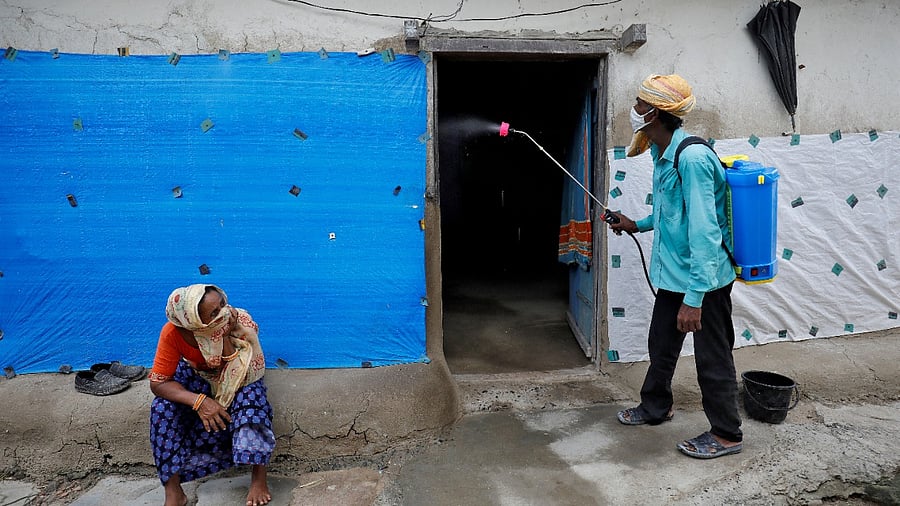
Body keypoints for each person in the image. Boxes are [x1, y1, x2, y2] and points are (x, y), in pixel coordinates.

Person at [608, 74, 743, 459]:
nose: (633, 111)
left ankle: (727, 434)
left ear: (657, 112)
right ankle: (656, 406)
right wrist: (637, 223)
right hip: (675, 274)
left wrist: (695, 298)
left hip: (706, 281)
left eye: (638, 104)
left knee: (711, 357)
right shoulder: (662, 152)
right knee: (662, 344)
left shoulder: (693, 158)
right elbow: (673, 213)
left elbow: (704, 232)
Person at [149, 284, 275, 505]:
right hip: (201, 376)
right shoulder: (172, 333)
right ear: (192, 321)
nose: (223, 313)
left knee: (252, 399)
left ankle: (258, 477)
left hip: (240, 373)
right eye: (214, 313)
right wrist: (198, 401)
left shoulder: (235, 320)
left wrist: (224, 336)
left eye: (223, 305)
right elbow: (159, 383)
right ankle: (174, 492)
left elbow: (243, 364)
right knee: (161, 408)